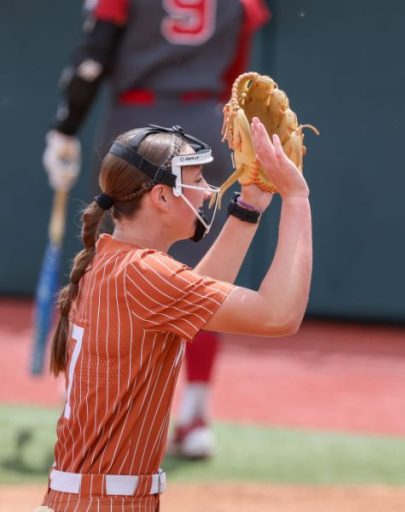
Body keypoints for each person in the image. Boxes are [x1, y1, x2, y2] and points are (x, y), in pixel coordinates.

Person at [36, 118, 311, 512]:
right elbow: (279, 315)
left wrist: (251, 204)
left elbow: (197, 305)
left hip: (88, 500)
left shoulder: (119, 263)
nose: (205, 193)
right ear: (162, 197)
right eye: (196, 180)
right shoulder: (143, 272)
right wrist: (297, 199)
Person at [42, 0, 271, 458]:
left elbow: (93, 59)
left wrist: (66, 128)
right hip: (205, 129)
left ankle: (88, 406)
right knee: (200, 281)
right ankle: (196, 414)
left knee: (111, 271)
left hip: (137, 132)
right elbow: (237, 78)